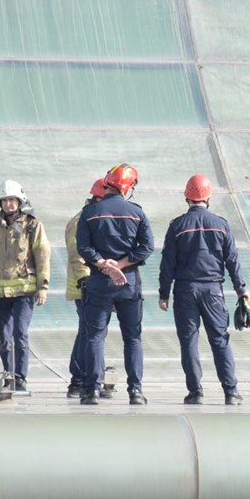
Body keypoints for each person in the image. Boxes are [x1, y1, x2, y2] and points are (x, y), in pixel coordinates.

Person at [158, 175, 248, 406]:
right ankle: (231, 391)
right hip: (213, 290)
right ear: (208, 197)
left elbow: (167, 262)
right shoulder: (221, 224)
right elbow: (233, 261)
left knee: (189, 342)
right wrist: (241, 291)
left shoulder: (177, 226)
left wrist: (164, 293)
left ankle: (195, 391)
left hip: (185, 290)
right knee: (220, 340)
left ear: (187, 197)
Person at [75, 164, 153, 406]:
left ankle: (92, 391)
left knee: (95, 337)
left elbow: (83, 247)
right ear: (128, 187)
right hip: (128, 282)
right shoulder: (137, 213)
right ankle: (135, 391)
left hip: (99, 281)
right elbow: (147, 247)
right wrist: (120, 264)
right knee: (132, 338)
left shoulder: (90, 213)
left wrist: (104, 265)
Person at [0, 179, 50, 392]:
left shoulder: (33, 225)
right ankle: (9, 374)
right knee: (5, 337)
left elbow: (43, 255)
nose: (8, 204)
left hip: (24, 291)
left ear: (20, 201)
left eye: (12, 200)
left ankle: (20, 377)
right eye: (4, 200)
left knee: (20, 334)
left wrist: (42, 286)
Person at [65, 177, 110, 399]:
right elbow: (77, 255)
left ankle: (86, 378)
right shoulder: (81, 220)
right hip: (85, 286)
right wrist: (85, 282)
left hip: (93, 285)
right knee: (89, 332)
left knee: (90, 332)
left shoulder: (94, 216)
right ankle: (79, 379)